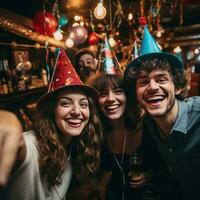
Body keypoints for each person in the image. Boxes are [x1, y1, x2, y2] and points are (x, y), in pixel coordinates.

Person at [0, 48, 102, 200]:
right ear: (51, 111)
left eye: (83, 104)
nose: (76, 111)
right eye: (66, 103)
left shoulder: (74, 146)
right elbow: (19, 144)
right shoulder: (31, 147)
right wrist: (9, 122)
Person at [124, 22, 200, 200]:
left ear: (178, 87)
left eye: (161, 79)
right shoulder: (147, 126)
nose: (152, 87)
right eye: (143, 82)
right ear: (136, 95)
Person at [87, 72, 166, 200]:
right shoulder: (97, 132)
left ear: (128, 96)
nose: (110, 99)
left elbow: (169, 166)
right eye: (103, 94)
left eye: (118, 91)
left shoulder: (148, 125)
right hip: (114, 194)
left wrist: (149, 175)